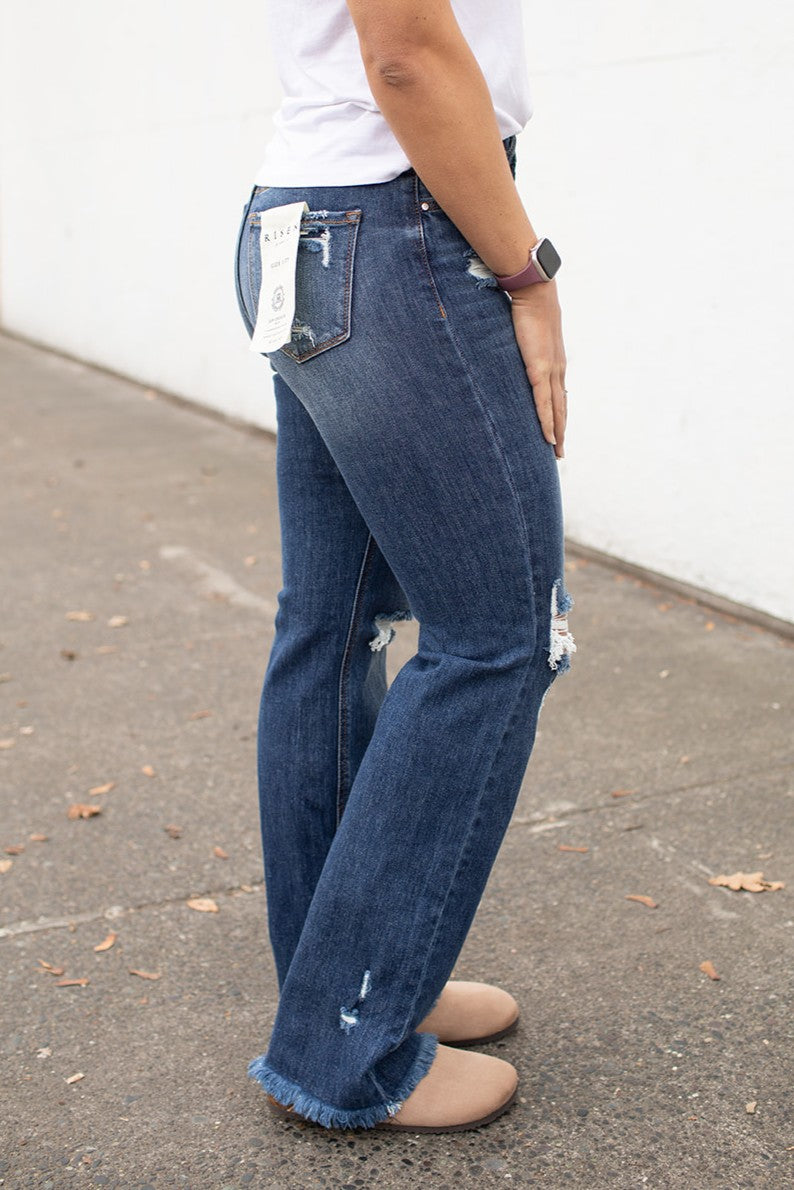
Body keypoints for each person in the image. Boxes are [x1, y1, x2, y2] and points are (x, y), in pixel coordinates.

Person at [233, 0, 576, 1134]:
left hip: (310, 221)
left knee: (331, 626)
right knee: (497, 638)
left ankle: (341, 991)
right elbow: (407, 54)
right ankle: (347, 1044)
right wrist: (526, 274)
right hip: (400, 225)